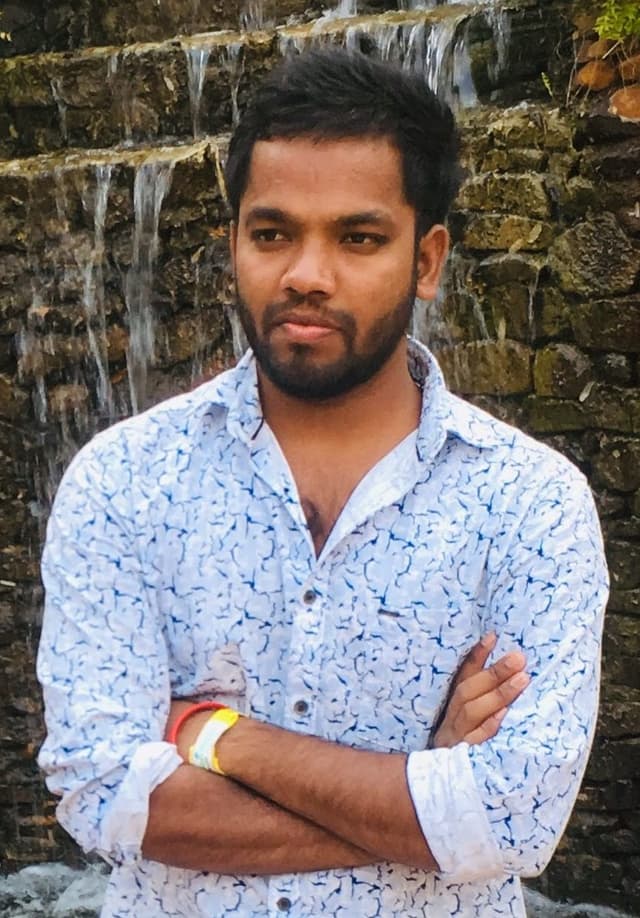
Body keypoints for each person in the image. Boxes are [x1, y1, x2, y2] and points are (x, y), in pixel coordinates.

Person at [37, 48, 608, 917]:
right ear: (234, 243)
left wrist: (216, 736)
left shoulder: (531, 504)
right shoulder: (123, 481)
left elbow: (516, 819)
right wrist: (428, 789)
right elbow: (101, 794)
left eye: (358, 237)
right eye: (272, 234)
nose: (306, 273)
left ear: (427, 260)